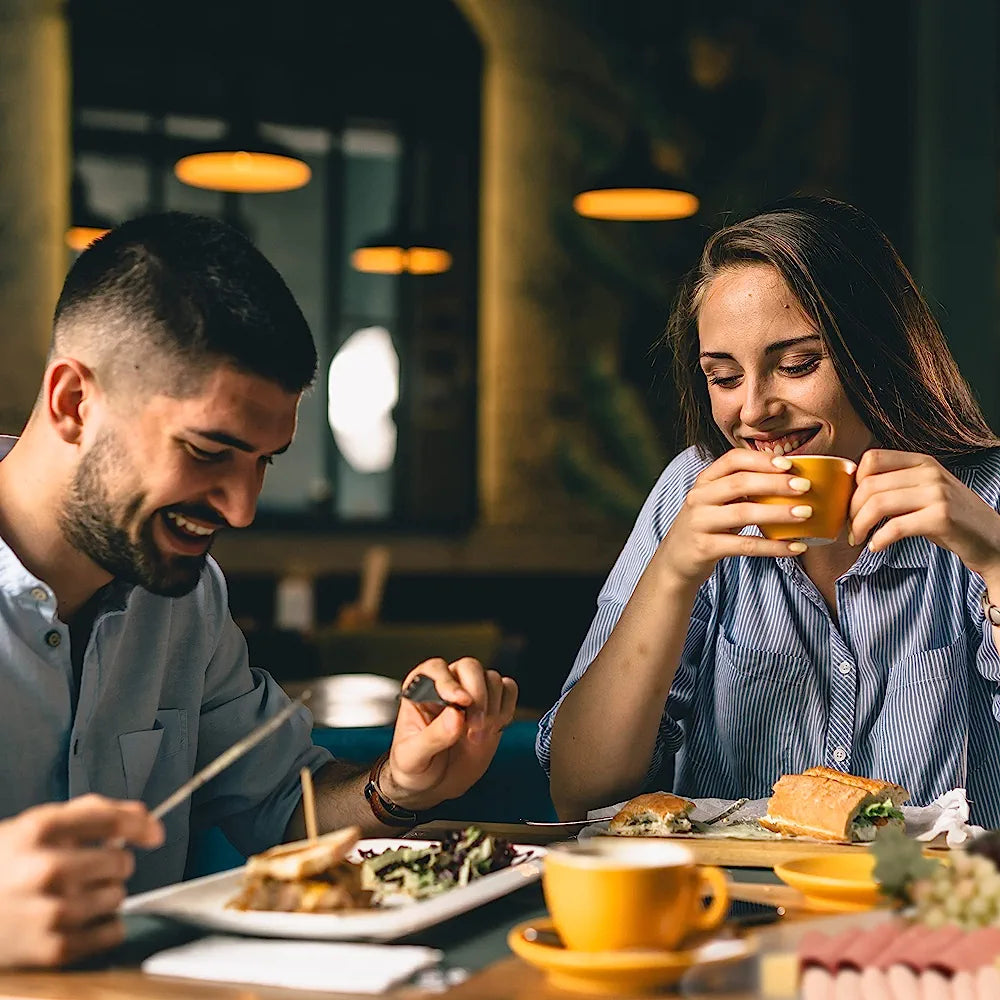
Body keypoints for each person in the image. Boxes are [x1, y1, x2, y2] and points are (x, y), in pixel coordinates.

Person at [0, 212, 517, 968]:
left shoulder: (185, 597)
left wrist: (398, 783)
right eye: (210, 450)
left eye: (265, 462)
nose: (240, 509)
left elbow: (284, 810)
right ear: (75, 403)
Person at [538, 195, 1000, 826]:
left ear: (879, 354)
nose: (753, 410)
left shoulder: (985, 497)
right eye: (724, 377)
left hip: (933, 912)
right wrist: (673, 573)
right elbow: (579, 794)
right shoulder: (693, 490)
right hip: (725, 911)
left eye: (796, 365)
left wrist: (996, 560)